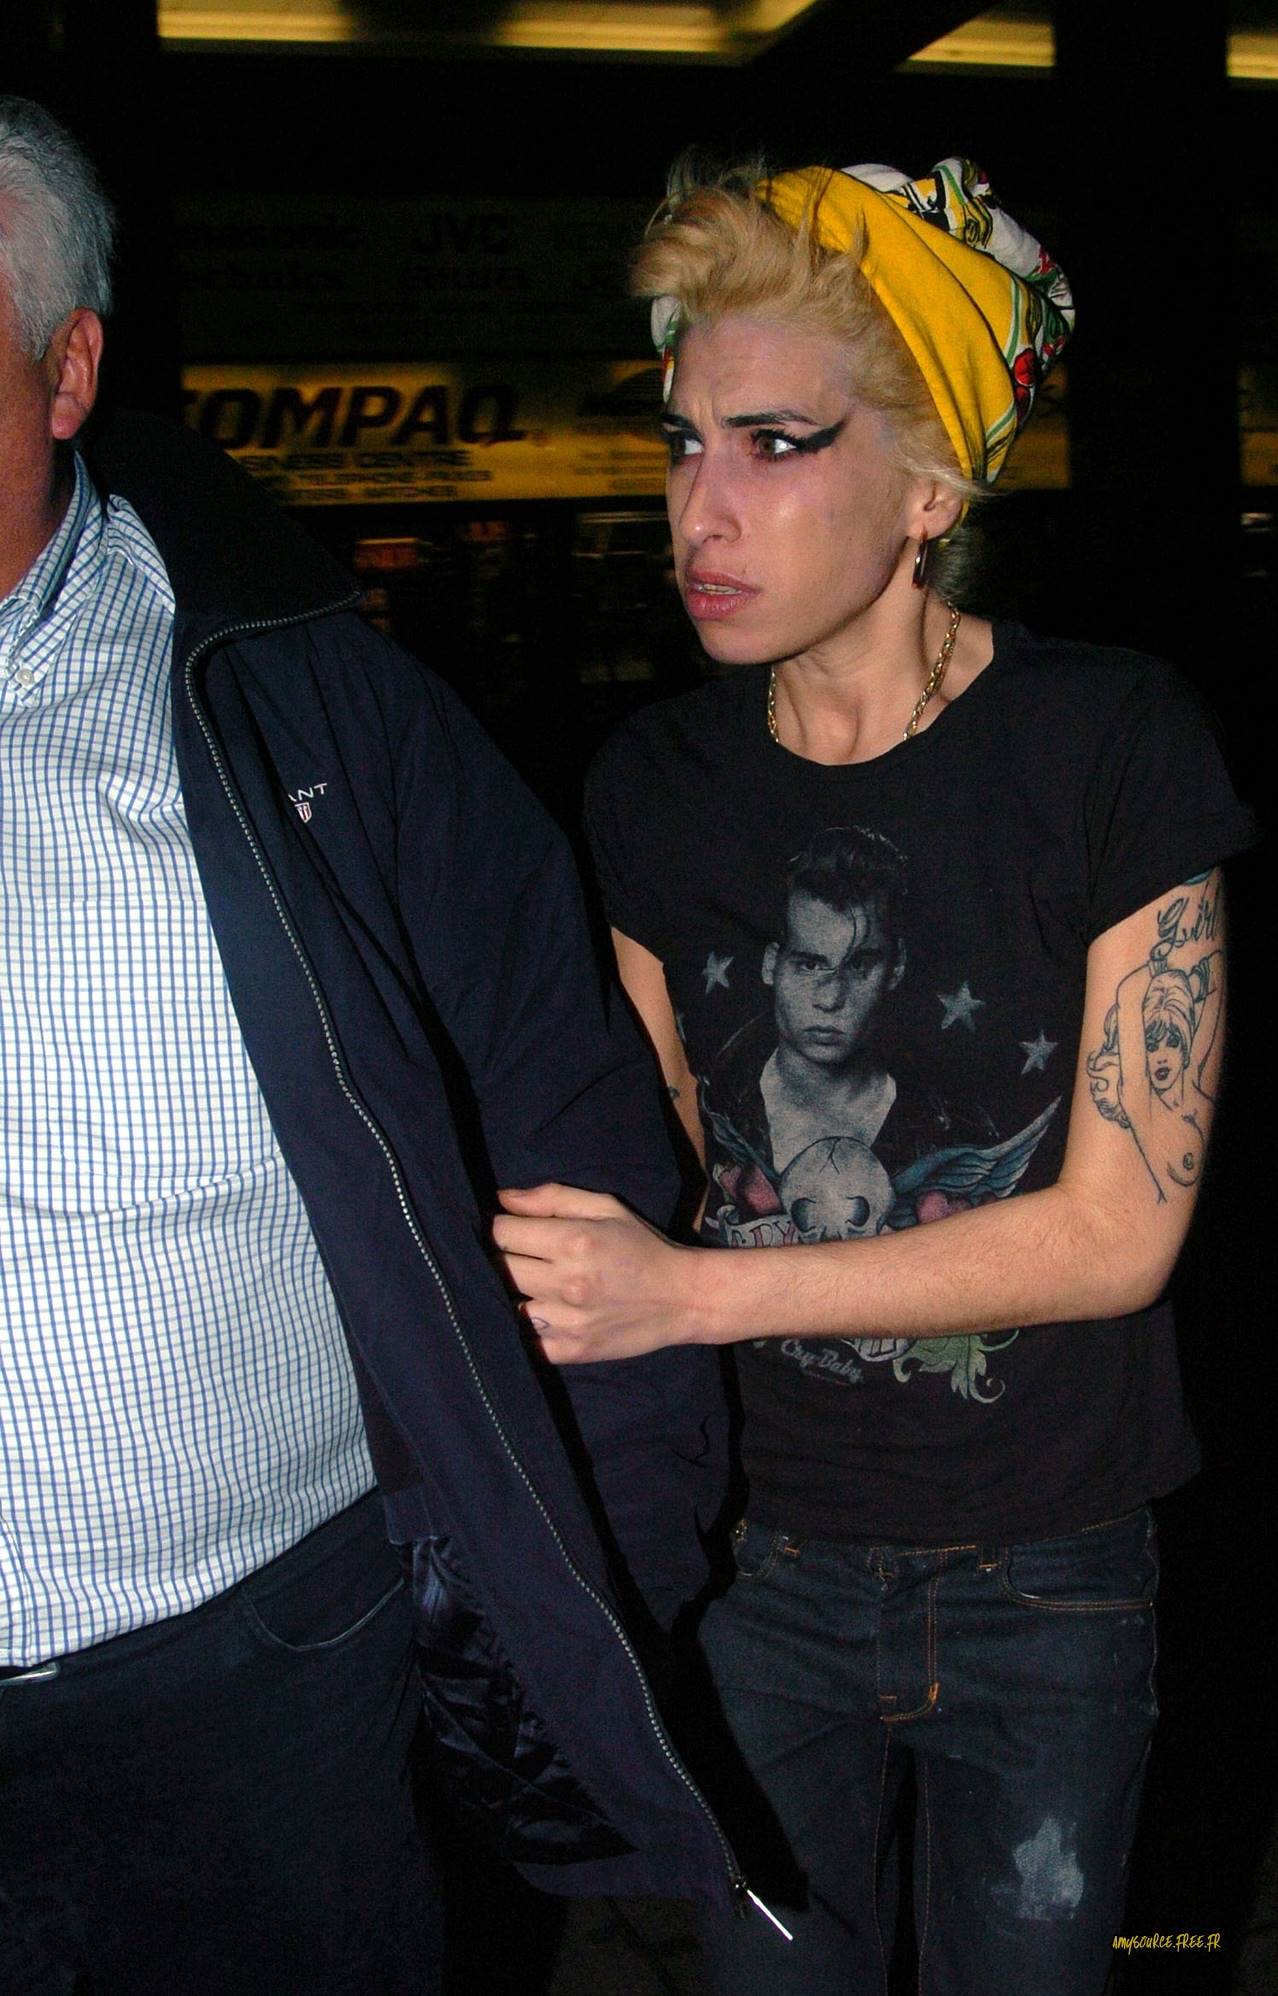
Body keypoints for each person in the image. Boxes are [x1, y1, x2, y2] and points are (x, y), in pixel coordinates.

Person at [493, 156, 1260, 1993]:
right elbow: (651, 1160)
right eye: (683, 444)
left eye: (774, 445)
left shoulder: (1104, 742)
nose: (700, 507)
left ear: (929, 490)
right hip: (758, 1567)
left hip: (1049, 1568)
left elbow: (1114, 1237)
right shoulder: (653, 789)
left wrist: (692, 1294)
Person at [0, 98, 735, 1996]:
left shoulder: (297, 695)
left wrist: (594, 1580)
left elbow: (565, 1106)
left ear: (67, 371)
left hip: (257, 1684)